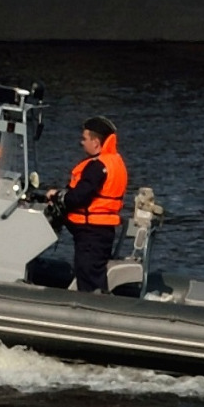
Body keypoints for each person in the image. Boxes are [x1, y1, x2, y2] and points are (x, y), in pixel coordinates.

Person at [52, 117, 128, 293]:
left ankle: (92, 310)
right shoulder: (114, 161)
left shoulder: (98, 166)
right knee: (89, 271)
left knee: (88, 275)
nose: (81, 142)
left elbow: (79, 197)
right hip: (101, 230)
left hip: (91, 232)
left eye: (84, 139)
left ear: (95, 142)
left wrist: (59, 198)